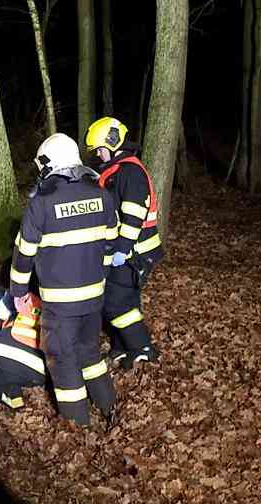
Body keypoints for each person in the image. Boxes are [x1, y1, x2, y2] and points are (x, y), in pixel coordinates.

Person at [9, 133, 119, 428]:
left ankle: (78, 426)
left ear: (48, 164)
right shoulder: (103, 196)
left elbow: (24, 254)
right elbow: (110, 245)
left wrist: (18, 292)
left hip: (60, 304)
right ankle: (110, 407)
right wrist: (99, 279)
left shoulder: (41, 204)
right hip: (94, 298)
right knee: (90, 353)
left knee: (62, 359)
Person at [84, 117, 165, 371]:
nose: (98, 154)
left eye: (100, 149)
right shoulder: (119, 171)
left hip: (135, 251)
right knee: (124, 299)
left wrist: (122, 249)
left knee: (115, 302)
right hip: (128, 250)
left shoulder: (130, 172)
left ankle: (143, 347)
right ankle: (122, 347)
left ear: (112, 142)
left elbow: (133, 215)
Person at [0, 291, 46, 410]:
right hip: (38, 371)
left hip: (7, 353)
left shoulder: (18, 292)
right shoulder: (61, 305)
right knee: (13, 376)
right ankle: (13, 392)